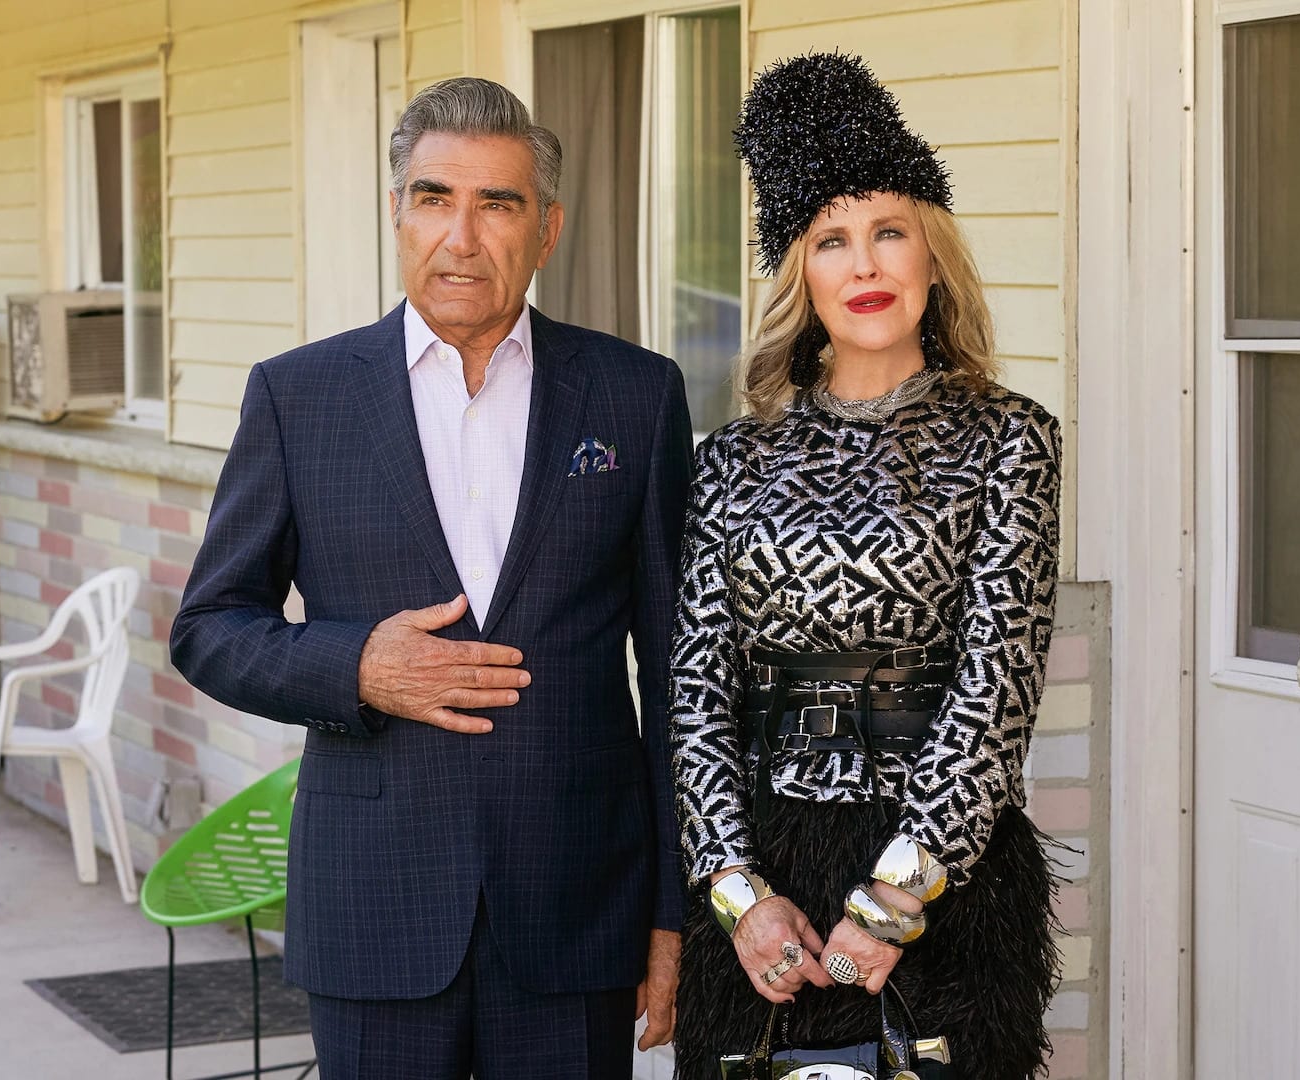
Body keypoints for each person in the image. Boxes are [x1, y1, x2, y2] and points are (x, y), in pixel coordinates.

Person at [171, 76, 688, 1079]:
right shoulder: (297, 396)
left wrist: (673, 913)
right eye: (434, 198)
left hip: (580, 909)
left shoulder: (637, 394)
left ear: (547, 230)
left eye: (498, 204)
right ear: (396, 213)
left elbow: (680, 679)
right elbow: (210, 626)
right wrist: (357, 666)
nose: (463, 236)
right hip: (376, 906)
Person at [669, 52, 1062, 1079]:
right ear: (801, 273)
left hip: (942, 878)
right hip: (763, 890)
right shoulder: (733, 459)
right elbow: (697, 691)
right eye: (831, 240)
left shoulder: (1009, 440)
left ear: (932, 256)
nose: (866, 265)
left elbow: (999, 686)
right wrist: (738, 895)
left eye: (890, 231)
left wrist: (895, 899)